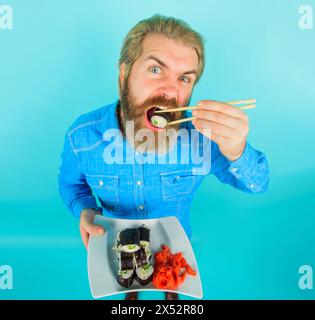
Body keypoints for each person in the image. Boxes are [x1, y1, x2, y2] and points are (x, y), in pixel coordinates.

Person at [58, 14, 269, 300]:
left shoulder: (202, 138)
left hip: (176, 248)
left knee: (173, 289)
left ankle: (171, 294)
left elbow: (258, 185)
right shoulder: (82, 137)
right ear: (124, 75)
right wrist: (84, 209)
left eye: (184, 78)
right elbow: (71, 186)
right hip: (118, 246)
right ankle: (131, 293)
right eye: (156, 69)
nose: (171, 91)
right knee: (129, 286)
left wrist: (237, 150)